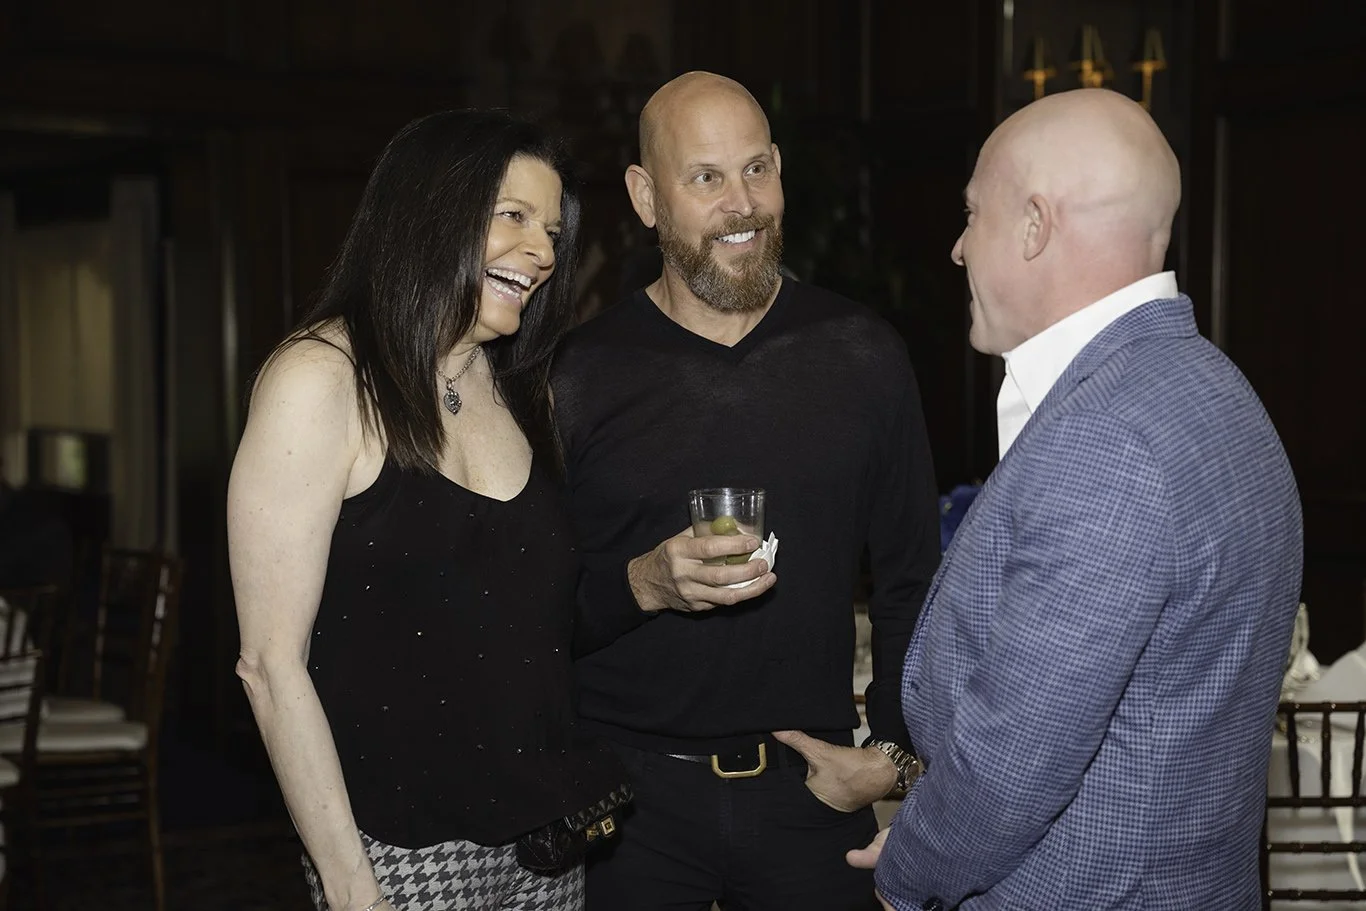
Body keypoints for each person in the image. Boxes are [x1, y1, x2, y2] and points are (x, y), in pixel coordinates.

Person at [856, 88, 1304, 910]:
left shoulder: (1109, 441)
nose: (956, 248)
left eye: (972, 214)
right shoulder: (1219, 387)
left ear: (1034, 224)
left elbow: (1013, 756)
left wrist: (908, 873)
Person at [551, 72, 941, 911]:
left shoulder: (864, 355)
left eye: (757, 169)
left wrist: (896, 752)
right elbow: (529, 609)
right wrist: (644, 584)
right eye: (706, 178)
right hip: (629, 814)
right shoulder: (577, 375)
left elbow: (916, 578)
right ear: (645, 198)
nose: (743, 205)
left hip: (813, 798)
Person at [228, 110, 624, 911]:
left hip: (546, 848)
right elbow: (271, 666)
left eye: (551, 229)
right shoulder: (321, 381)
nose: (544, 253)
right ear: (429, 210)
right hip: (397, 858)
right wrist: (351, 886)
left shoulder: (519, 387)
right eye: (512, 216)